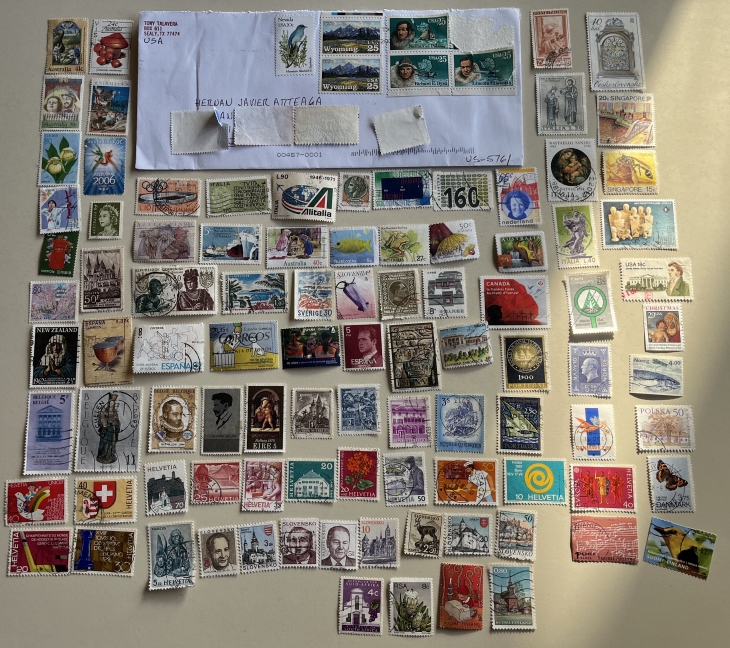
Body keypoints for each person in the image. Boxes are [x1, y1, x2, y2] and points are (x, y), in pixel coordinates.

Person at [96, 392, 120, 464]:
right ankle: (102, 455)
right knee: (104, 442)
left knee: (111, 442)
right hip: (106, 430)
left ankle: (109, 455)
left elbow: (117, 421)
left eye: (113, 403)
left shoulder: (115, 412)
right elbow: (101, 419)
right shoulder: (104, 410)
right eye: (110, 403)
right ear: (108, 403)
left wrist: (115, 423)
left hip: (112, 429)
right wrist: (103, 423)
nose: (111, 404)